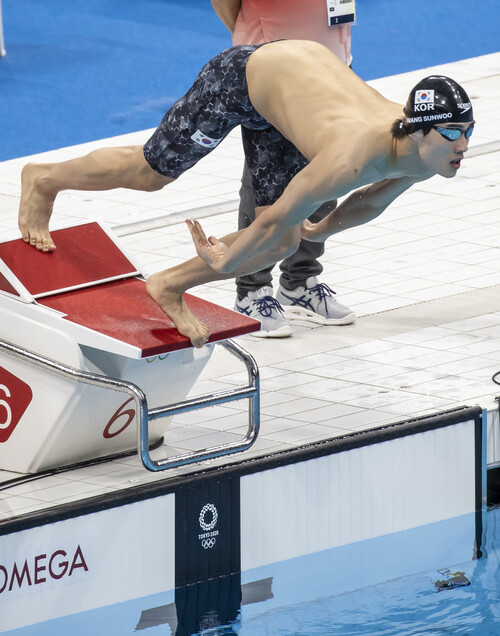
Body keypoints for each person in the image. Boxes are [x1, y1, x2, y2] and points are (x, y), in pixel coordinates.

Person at [18, 41, 474, 351]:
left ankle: (168, 284)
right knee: (152, 173)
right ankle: (44, 179)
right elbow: (273, 222)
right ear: (417, 131)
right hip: (243, 79)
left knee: (285, 240)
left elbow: (372, 201)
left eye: (469, 132)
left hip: (297, 84)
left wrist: (321, 227)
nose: (463, 146)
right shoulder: (346, 161)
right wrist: (222, 263)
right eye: (453, 132)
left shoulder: (428, 154)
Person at [211, 0, 356, 338]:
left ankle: (298, 283)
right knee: (267, 180)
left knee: (326, 168)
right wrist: (254, 33)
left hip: (333, 60)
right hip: (275, 70)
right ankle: (252, 290)